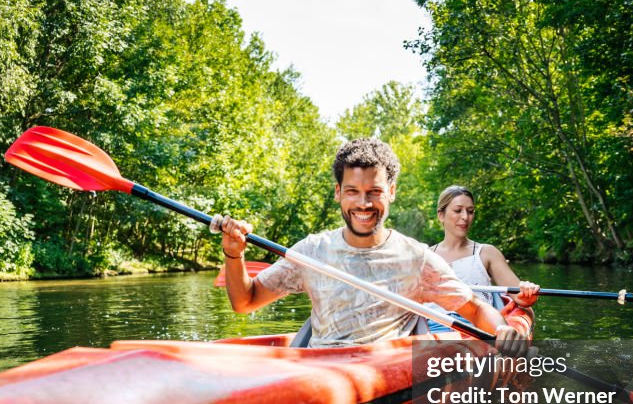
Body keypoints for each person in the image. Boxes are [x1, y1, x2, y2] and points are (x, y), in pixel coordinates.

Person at [218, 139, 532, 350]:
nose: (364, 203)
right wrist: (234, 255)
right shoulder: (311, 251)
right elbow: (245, 302)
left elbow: (475, 309)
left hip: (376, 375)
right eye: (353, 191)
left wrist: (502, 330)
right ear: (338, 193)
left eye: (375, 192)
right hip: (316, 371)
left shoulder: (415, 259)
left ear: (391, 191)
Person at [429, 185, 539, 330]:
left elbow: (519, 297)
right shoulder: (424, 256)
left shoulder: (487, 253)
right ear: (441, 215)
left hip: (475, 329)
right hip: (431, 328)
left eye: (470, 211)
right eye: (457, 210)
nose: (465, 217)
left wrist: (527, 292)